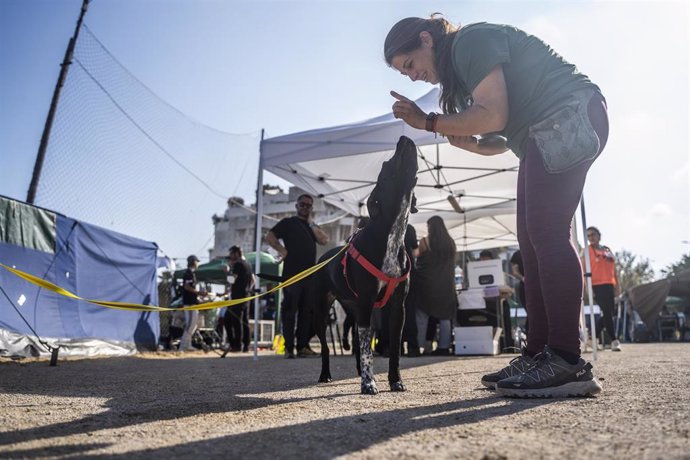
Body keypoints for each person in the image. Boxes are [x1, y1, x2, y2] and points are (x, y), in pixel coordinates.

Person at [385, 15, 608, 397]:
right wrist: (466, 141)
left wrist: (431, 122)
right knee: (532, 241)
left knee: (547, 234)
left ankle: (567, 360)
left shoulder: (471, 41)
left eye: (409, 64)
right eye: (403, 73)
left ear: (426, 39)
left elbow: (494, 114)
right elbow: (498, 139)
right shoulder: (458, 73)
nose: (412, 76)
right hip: (541, 132)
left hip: (568, 113)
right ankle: (540, 354)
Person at [265, 193, 329, 358]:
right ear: (296, 205)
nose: (305, 207)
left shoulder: (311, 226)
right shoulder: (288, 223)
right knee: (289, 311)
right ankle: (288, 348)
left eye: (308, 205)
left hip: (309, 276)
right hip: (292, 275)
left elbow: (324, 240)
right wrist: (282, 250)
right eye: (302, 204)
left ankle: (302, 346)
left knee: (306, 312)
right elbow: (269, 236)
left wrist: (311, 223)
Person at [412, 216, 458, 356]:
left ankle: (419, 347)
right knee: (445, 317)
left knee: (422, 315)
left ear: (430, 227)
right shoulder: (451, 243)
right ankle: (444, 347)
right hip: (446, 286)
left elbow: (416, 255)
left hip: (427, 285)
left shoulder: (425, 241)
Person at [584, 226, 622, 351]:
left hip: (609, 284)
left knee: (609, 313)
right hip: (596, 285)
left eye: (593, 234)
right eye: (588, 235)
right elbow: (583, 270)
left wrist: (617, 285)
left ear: (599, 236)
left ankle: (591, 335)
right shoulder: (586, 251)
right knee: (607, 311)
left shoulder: (607, 249)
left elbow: (614, 269)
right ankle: (614, 340)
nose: (591, 238)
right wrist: (587, 288)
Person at [224, 245, 255, 353]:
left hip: (238, 297)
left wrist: (227, 272)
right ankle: (246, 345)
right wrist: (248, 290)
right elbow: (253, 280)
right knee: (244, 321)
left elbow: (232, 280)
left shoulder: (238, 264)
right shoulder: (248, 264)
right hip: (246, 296)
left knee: (234, 321)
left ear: (236, 253)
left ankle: (236, 345)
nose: (230, 256)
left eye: (231, 254)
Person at [179, 255, 206, 351]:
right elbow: (187, 287)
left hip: (193, 302)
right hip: (189, 303)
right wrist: (198, 293)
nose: (198, 263)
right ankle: (183, 346)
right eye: (197, 261)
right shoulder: (188, 273)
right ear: (193, 262)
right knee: (190, 324)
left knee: (193, 324)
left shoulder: (192, 274)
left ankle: (188, 344)